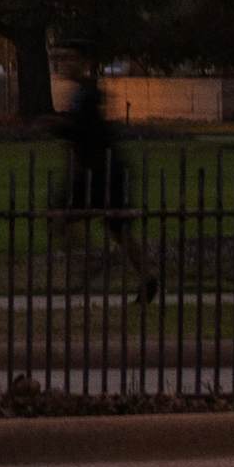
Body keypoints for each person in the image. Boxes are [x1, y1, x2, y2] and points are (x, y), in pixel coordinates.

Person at [53, 71, 160, 303]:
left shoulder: (87, 97)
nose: (64, 62)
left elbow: (82, 135)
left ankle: (92, 261)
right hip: (100, 171)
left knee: (65, 217)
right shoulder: (80, 95)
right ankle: (143, 276)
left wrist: (58, 128)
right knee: (117, 230)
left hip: (103, 173)